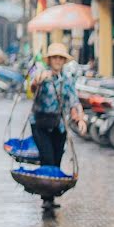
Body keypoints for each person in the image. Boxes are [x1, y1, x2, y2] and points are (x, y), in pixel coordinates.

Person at [29, 42, 87, 211]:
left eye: (60, 58)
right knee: (47, 159)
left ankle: (51, 195)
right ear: (50, 60)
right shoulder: (42, 75)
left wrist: (80, 119)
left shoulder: (67, 80)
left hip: (59, 125)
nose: (57, 61)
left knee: (56, 160)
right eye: (54, 57)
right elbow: (33, 88)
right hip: (40, 124)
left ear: (63, 61)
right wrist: (37, 82)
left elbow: (73, 102)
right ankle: (46, 198)